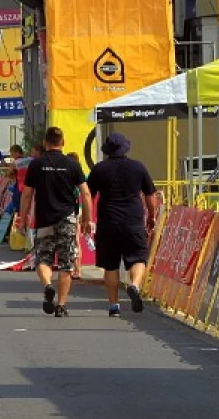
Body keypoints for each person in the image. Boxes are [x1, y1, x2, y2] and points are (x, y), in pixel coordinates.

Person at [17, 128, 93, 317]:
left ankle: (48, 285)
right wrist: (86, 219)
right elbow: (85, 193)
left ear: (45, 143)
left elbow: (27, 194)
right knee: (66, 263)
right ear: (63, 142)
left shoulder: (36, 165)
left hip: (44, 220)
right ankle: (61, 305)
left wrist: (22, 219)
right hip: (67, 219)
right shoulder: (72, 164)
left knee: (43, 259)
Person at [86, 132, 161, 317]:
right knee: (138, 258)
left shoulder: (99, 169)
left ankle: (114, 306)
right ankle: (134, 285)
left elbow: (89, 195)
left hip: (108, 221)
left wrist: (86, 219)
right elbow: (150, 195)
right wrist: (152, 216)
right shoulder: (138, 167)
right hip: (133, 220)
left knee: (110, 266)